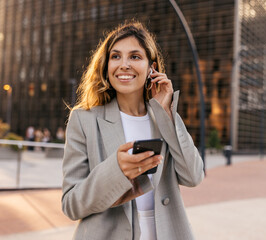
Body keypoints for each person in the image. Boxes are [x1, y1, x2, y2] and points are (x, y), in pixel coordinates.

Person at [62, 21, 204, 240]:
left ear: (152, 68)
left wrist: (167, 112)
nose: (124, 64)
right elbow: (71, 205)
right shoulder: (83, 119)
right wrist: (116, 171)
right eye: (116, 56)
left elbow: (193, 176)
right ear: (106, 66)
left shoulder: (163, 118)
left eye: (135, 56)